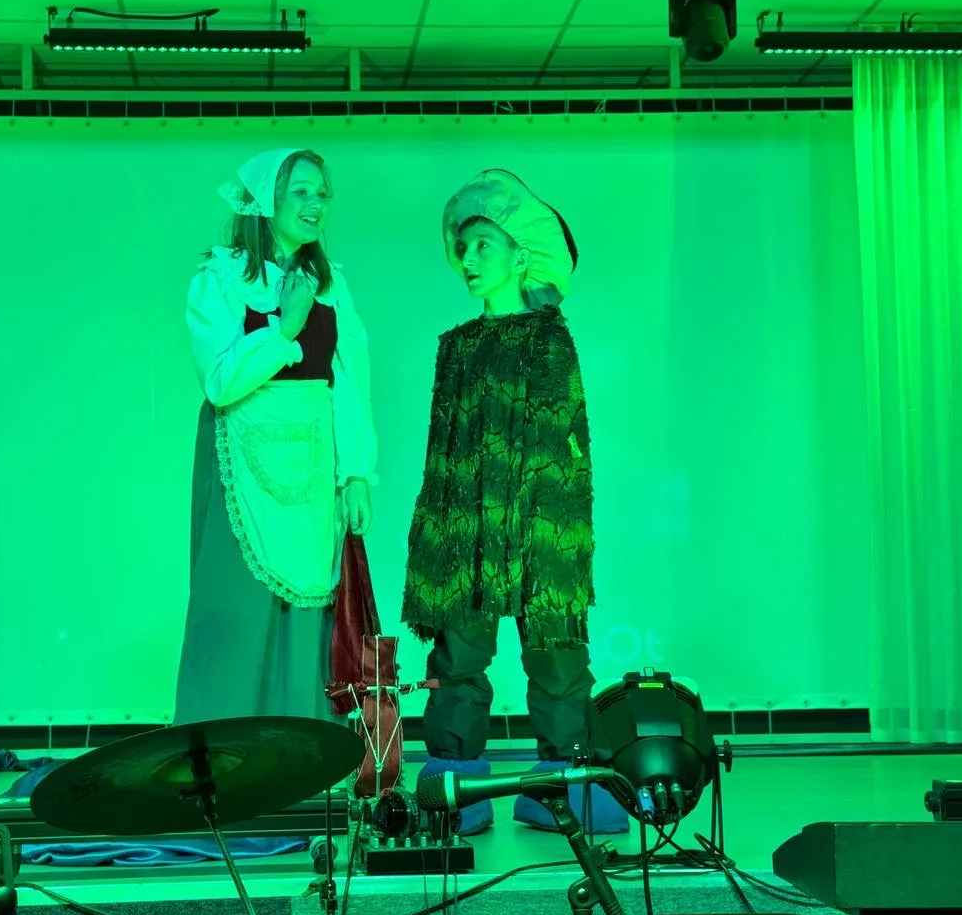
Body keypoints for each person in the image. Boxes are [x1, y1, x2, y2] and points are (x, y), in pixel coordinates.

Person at [402, 169, 627, 835]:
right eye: (463, 247)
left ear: (520, 255)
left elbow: (561, 445)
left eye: (484, 245)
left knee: (557, 654)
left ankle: (562, 783)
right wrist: (440, 537)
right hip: (466, 528)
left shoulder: (549, 339)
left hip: (540, 525)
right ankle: (455, 787)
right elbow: (443, 452)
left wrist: (545, 537)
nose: (468, 259)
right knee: (457, 658)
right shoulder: (455, 348)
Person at [174, 147, 377, 728]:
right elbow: (220, 382)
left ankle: (303, 750)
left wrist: (356, 473)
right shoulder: (220, 277)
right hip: (241, 460)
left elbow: (349, 383)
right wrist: (284, 329)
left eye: (322, 194)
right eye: (302, 192)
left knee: (307, 606)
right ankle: (225, 751)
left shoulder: (331, 284)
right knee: (237, 607)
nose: (317, 204)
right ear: (268, 201)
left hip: (312, 469)